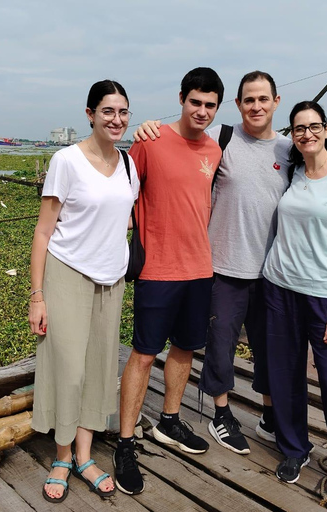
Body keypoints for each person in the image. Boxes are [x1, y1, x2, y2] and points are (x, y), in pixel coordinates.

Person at [134, 71, 292, 455]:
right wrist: (146, 125)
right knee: (219, 346)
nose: (256, 106)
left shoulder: (290, 149)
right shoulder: (221, 137)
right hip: (220, 264)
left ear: (276, 101)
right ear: (236, 105)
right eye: (248, 100)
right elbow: (180, 136)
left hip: (271, 270)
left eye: (263, 99)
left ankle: (271, 416)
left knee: (271, 347)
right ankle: (221, 414)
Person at [113, 67, 224, 495]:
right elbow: (122, 190)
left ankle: (170, 421)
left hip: (200, 268)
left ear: (217, 107)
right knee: (143, 354)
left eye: (209, 105)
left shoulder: (214, 150)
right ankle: (125, 443)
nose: (201, 111)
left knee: (184, 347)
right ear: (181, 98)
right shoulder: (150, 139)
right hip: (158, 268)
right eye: (195, 102)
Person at [28, 79, 139, 503]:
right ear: (90, 114)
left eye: (123, 112)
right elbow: (43, 231)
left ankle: (85, 455)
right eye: (108, 111)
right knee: (68, 369)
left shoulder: (130, 165)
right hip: (67, 274)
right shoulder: (66, 161)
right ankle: (61, 456)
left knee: (98, 369)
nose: (117, 119)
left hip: (112, 279)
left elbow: (125, 219)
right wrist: (37, 295)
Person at [262, 100, 327, 495]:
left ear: (326, 129)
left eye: (313, 126)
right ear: (292, 135)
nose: (306, 133)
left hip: (325, 298)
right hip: (279, 289)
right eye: (298, 128)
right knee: (285, 375)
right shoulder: (292, 173)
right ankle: (294, 448)